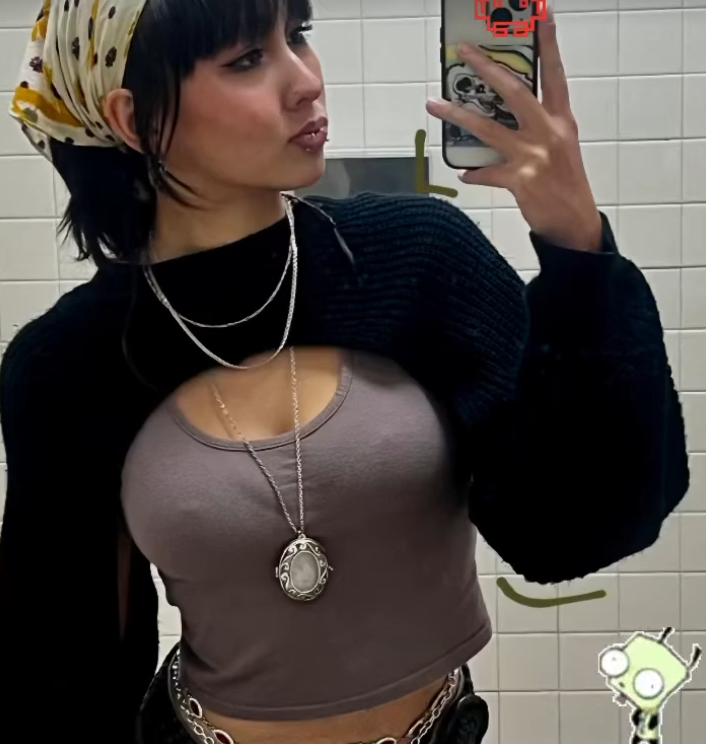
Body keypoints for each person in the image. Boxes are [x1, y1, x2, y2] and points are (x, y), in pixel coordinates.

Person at [0, 2, 689, 744]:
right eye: (246, 59)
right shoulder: (69, 364)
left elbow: (571, 533)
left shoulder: (419, 259)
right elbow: (65, 671)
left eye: (297, 36)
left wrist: (577, 244)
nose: (306, 81)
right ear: (134, 119)